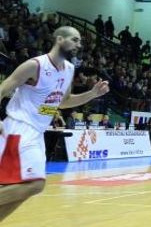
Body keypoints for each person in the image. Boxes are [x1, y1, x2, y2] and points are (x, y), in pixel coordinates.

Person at [0, 26, 110, 222]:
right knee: (34, 184)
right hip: (19, 128)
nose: (79, 44)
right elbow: (3, 88)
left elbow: (64, 101)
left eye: (80, 41)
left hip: (37, 132)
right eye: (75, 40)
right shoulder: (35, 65)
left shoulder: (69, 69)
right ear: (59, 39)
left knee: (24, 189)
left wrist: (92, 94)